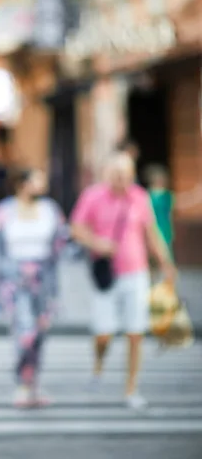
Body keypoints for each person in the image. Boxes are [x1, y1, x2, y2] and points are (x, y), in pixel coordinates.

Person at [70, 153, 176, 410]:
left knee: (135, 333)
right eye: (117, 175)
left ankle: (131, 388)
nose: (122, 180)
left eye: (127, 175)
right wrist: (98, 243)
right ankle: (98, 365)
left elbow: (151, 233)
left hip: (136, 272)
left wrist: (167, 264)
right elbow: (76, 228)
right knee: (103, 334)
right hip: (106, 276)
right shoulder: (93, 196)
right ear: (107, 175)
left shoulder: (139, 197)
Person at [0, 169, 67, 408]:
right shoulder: (4, 212)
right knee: (25, 332)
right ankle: (22, 384)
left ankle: (33, 384)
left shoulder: (50, 210)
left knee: (40, 333)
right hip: (13, 281)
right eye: (37, 180)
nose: (42, 185)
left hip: (44, 281)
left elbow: (62, 243)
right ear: (22, 185)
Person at [146, 165, 175, 264]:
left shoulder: (167, 195)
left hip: (164, 225)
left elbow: (169, 213)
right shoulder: (147, 194)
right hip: (153, 224)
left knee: (166, 251)